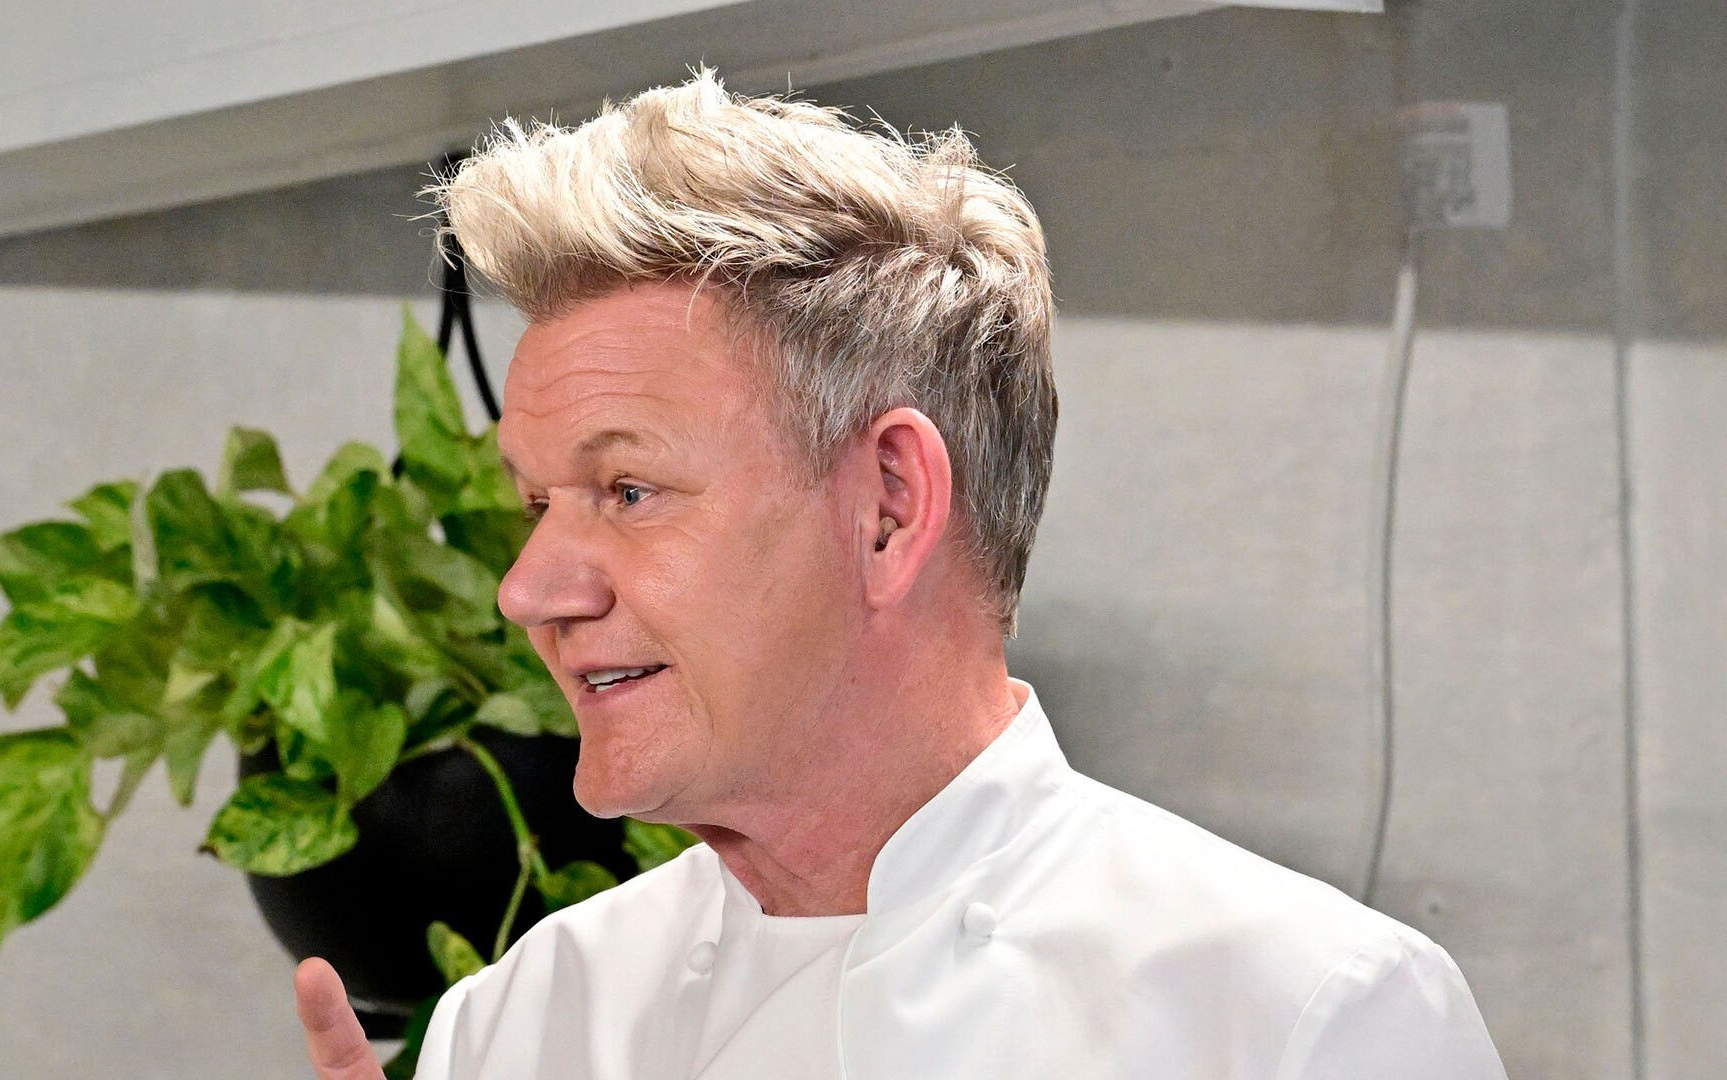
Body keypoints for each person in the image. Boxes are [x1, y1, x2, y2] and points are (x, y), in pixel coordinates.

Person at [293, 68, 1509, 1080]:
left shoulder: (1306, 1021)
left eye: (627, 492)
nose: (530, 588)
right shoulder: (518, 1028)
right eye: (535, 504)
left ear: (888, 508)